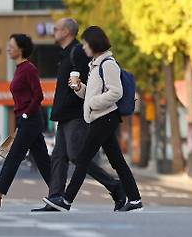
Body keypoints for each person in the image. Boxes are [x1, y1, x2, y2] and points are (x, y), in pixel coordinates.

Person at [44, 26, 142, 212]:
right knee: (117, 162)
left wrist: (93, 102)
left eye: (86, 43)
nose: (83, 47)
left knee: (82, 160)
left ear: (94, 44)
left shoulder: (108, 64)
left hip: (106, 118)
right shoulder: (95, 64)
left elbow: (116, 92)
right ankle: (135, 200)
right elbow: (90, 94)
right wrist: (79, 88)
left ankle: (66, 201)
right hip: (99, 117)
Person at [0, 34, 52, 211]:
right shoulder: (19, 69)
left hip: (30, 119)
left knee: (13, 158)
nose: (8, 48)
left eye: (11, 46)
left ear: (21, 49)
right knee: (42, 160)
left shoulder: (29, 69)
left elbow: (38, 95)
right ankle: (58, 194)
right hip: (26, 120)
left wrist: (25, 114)